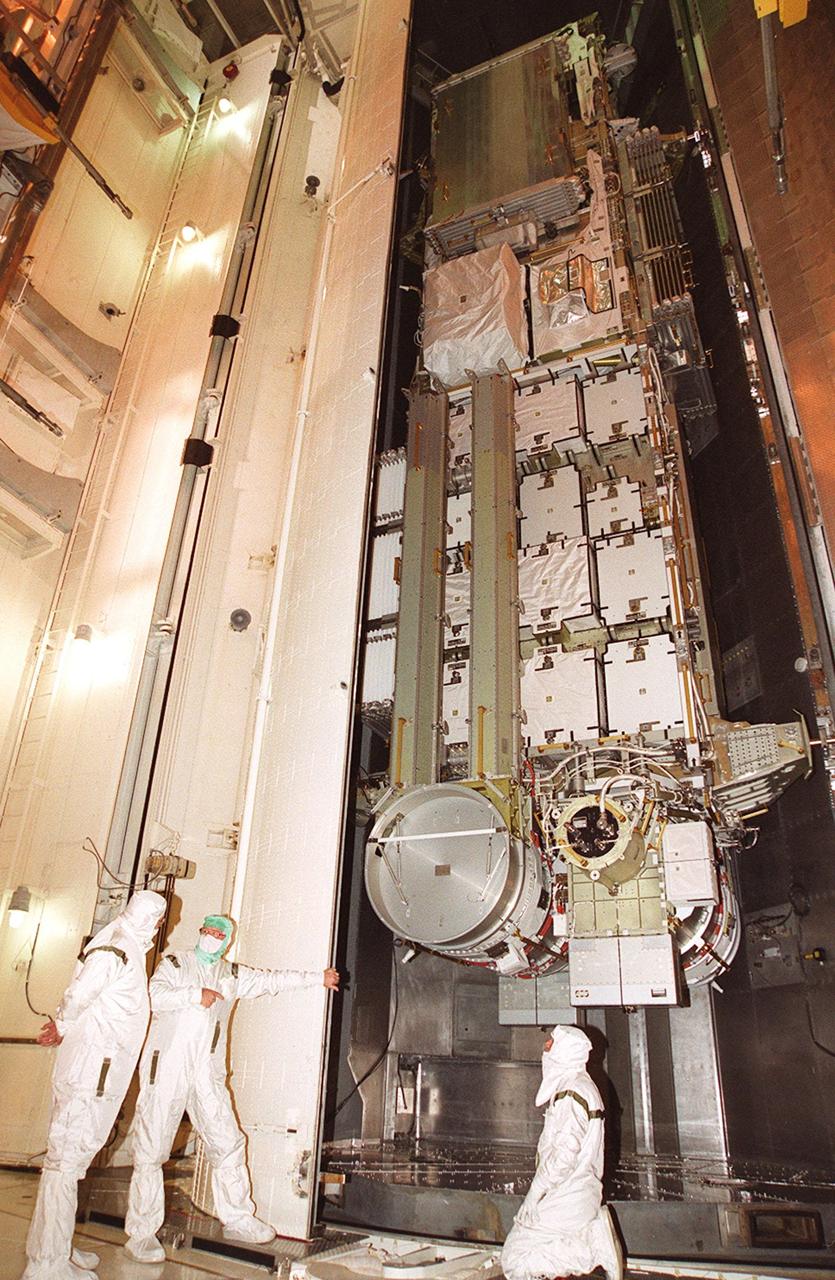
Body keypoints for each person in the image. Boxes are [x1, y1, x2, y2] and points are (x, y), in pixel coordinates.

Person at [124, 913, 340, 1263]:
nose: (211, 936)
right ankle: (141, 1233)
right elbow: (154, 994)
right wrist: (196, 994)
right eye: (207, 930)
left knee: (227, 1142)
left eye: (218, 933)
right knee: (151, 1149)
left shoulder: (231, 974)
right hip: (166, 1070)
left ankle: (237, 1217)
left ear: (227, 941)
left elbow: (272, 981)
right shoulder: (177, 962)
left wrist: (318, 978)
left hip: (206, 1072)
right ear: (199, 932)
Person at [21, 889, 167, 1280]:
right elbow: (79, 994)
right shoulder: (117, 949)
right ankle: (47, 1265)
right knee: (65, 1164)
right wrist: (63, 1024)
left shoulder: (125, 946)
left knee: (71, 1162)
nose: (156, 927)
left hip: (98, 1072)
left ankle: (57, 1247)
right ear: (145, 918)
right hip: (91, 1073)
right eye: (155, 920)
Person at [501, 1025, 623, 1280]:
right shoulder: (581, 1085)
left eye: (550, 1045)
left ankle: (591, 1248)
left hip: (568, 1195)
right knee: (529, 1253)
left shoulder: (571, 1093)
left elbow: (564, 1156)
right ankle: (587, 1243)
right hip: (576, 1193)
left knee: (515, 1261)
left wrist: (535, 1193)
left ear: (565, 1053)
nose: (545, 1050)